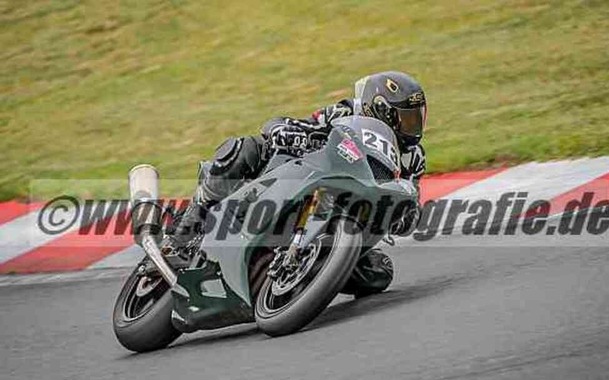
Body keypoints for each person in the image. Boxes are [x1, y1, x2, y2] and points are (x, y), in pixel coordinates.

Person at [167, 71, 427, 296]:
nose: (413, 126)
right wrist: (287, 132)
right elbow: (286, 124)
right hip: (308, 179)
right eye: (406, 118)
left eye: (417, 117)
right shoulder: (345, 112)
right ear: (379, 109)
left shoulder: (414, 158)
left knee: (379, 272)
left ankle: (297, 281)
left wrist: (403, 214)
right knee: (244, 148)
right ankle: (186, 230)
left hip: (353, 216)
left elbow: (411, 203)